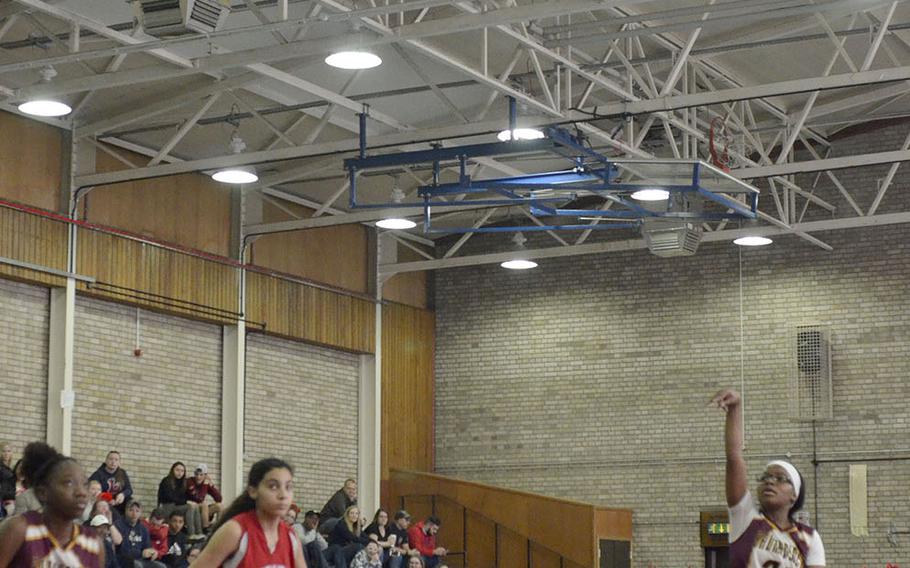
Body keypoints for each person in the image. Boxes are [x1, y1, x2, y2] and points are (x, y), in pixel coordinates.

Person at [711, 388, 825, 567]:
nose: (770, 481)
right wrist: (735, 409)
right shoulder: (745, 518)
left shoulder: (810, 537)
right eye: (765, 477)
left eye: (780, 478)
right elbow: (734, 458)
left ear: (794, 495)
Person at [0, 441, 105, 567]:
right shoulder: (19, 529)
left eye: (84, 484)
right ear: (43, 492)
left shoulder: (94, 544)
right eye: (69, 483)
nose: (81, 492)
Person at [193, 457, 306, 567]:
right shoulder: (235, 531)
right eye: (273, 486)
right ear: (253, 491)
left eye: (288, 487)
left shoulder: (291, 537)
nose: (283, 495)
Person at [114, 499, 166, 568]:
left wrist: (151, 552)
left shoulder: (143, 529)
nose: (134, 513)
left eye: (137, 511)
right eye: (131, 510)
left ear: (140, 513)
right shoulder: (118, 525)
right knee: (138, 565)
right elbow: (122, 550)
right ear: (125, 511)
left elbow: (147, 547)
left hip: (140, 559)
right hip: (122, 560)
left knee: (161, 566)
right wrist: (141, 553)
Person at [157, 462, 203, 540]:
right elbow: (170, 497)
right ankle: (191, 533)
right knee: (189, 507)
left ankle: (199, 533)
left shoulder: (183, 483)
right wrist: (186, 502)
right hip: (167, 507)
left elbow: (184, 497)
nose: (179, 473)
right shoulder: (166, 481)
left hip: (176, 507)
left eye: (182, 471)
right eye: (177, 470)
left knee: (194, 506)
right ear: (173, 470)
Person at [89, 451, 133, 515]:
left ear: (119, 462)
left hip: (119, 503)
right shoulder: (98, 474)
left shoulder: (122, 473)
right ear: (106, 460)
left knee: (130, 500)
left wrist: (123, 494)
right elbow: (92, 490)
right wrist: (107, 499)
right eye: (111, 459)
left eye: (116, 460)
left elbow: (129, 489)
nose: (113, 462)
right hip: (104, 503)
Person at [185, 464, 222, 535]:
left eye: (201, 475)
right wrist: (205, 485)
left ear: (205, 476)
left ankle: (218, 529)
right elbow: (199, 499)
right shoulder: (190, 481)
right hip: (191, 508)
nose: (198, 477)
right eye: (196, 474)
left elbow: (219, 498)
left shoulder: (206, 483)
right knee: (204, 505)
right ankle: (205, 529)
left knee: (220, 506)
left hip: (201, 509)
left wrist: (211, 485)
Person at [0, 442, 15, 517]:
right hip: (3, 502)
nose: (6, 453)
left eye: (9, 451)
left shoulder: (10, 468)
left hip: (10, 500)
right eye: (4, 451)